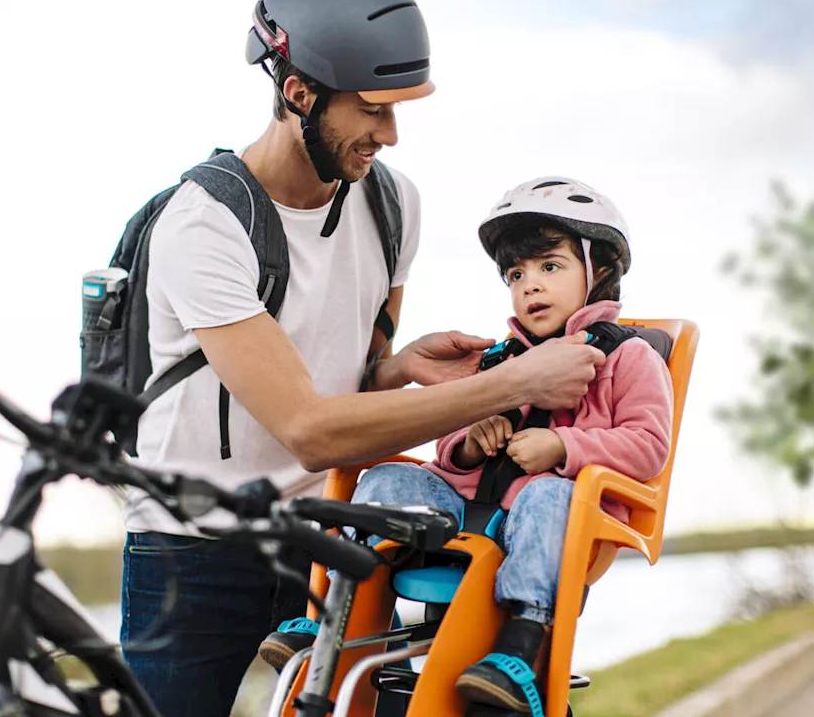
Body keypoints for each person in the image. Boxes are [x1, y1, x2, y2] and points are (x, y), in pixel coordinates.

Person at [119, 0, 608, 714]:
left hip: (333, 531)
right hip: (195, 551)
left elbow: (348, 387)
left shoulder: (390, 205)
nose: (391, 133)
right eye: (373, 108)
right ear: (298, 93)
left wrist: (400, 368)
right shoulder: (204, 225)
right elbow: (310, 427)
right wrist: (509, 385)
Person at [258, 176, 674, 714]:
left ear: (600, 272)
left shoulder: (629, 357)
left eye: (550, 267)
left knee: (549, 495)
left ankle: (520, 649)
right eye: (516, 274)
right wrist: (470, 447)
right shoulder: (500, 360)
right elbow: (449, 446)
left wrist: (562, 447)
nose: (529, 285)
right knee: (383, 480)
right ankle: (329, 618)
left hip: (555, 526)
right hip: (459, 512)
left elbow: (647, 446)